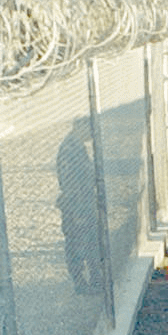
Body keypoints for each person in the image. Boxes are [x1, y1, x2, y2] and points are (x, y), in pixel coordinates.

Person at [55, 126, 102, 295]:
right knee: (76, 245)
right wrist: (78, 210)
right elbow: (69, 183)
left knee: (90, 242)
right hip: (76, 205)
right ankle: (80, 283)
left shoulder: (77, 146)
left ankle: (95, 280)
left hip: (84, 203)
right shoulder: (69, 149)